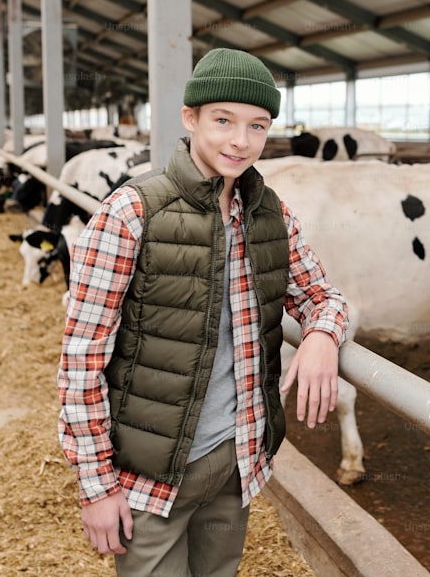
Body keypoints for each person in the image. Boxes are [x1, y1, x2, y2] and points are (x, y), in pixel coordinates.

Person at [57, 48, 349, 576]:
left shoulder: (270, 213)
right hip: (149, 475)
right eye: (223, 120)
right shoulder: (130, 213)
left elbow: (323, 296)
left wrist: (322, 336)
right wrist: (97, 487)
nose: (241, 141)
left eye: (257, 126)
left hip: (234, 464)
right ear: (189, 118)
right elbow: (82, 362)